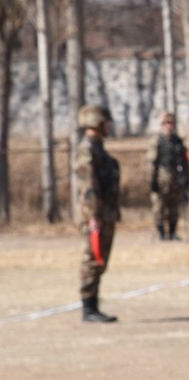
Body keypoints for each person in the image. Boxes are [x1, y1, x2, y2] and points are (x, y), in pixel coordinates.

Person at [75, 104, 121, 323]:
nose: (108, 126)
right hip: (95, 215)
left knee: (100, 259)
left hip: (105, 213)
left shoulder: (98, 147)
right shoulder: (87, 150)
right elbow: (88, 186)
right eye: (105, 123)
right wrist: (94, 216)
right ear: (95, 123)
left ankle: (93, 305)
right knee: (93, 259)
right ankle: (89, 308)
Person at [148, 111, 189, 240]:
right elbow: (152, 162)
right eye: (166, 123)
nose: (169, 126)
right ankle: (161, 232)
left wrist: (186, 177)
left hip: (176, 178)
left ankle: (172, 232)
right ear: (162, 125)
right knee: (159, 207)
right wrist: (152, 180)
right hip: (161, 177)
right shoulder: (157, 141)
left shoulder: (178, 141)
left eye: (171, 123)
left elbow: (184, 160)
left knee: (174, 206)